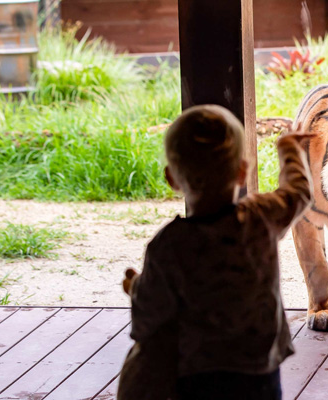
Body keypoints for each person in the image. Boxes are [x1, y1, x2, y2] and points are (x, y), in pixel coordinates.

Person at [117, 104, 313, 400]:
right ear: (242, 172)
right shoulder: (261, 217)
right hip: (258, 371)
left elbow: (149, 314)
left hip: (197, 376)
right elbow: (298, 193)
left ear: (171, 178)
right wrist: (289, 150)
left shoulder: (169, 245)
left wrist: (135, 287)